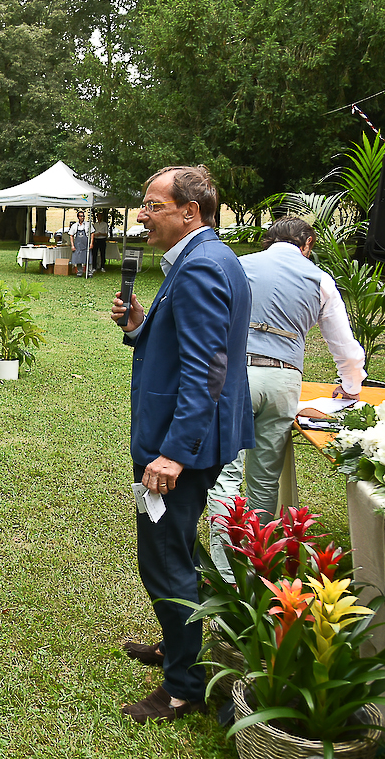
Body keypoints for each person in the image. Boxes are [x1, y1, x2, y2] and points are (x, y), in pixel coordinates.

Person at [110, 165, 253, 724]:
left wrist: (174, 452)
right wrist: (140, 325)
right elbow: (188, 345)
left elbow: (205, 370)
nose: (142, 214)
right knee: (178, 552)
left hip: (184, 445)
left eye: (153, 204)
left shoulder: (199, 268)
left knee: (165, 558)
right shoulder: (208, 259)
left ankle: (183, 688)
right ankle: (179, 647)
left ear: (188, 211)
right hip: (195, 437)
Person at [206, 217, 366, 579]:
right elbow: (346, 350)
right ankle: (252, 569)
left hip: (234, 375)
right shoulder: (320, 280)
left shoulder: (240, 266)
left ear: (268, 241)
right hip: (283, 378)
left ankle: (222, 573)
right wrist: (352, 387)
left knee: (226, 476)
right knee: (264, 481)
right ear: (307, 243)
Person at [68, 210, 92, 277]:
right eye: (81, 216)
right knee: (78, 259)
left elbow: (92, 233)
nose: (82, 217)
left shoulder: (88, 224)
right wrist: (72, 245)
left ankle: (89, 272)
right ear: (78, 217)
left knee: (88, 258)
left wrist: (91, 243)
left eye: (83, 216)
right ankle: (79, 272)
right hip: (78, 245)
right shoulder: (75, 226)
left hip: (86, 244)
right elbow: (71, 235)